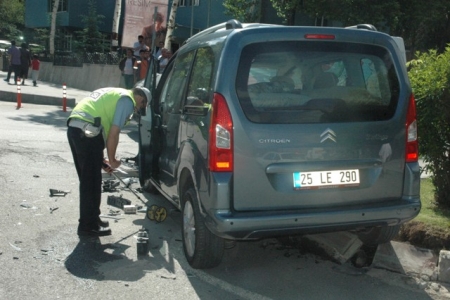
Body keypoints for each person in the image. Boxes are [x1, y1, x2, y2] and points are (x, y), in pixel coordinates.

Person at [67, 86, 150, 237]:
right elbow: (114, 132)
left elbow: (101, 121)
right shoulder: (128, 101)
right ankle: (87, 226)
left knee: (90, 179)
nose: (138, 110)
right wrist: (112, 160)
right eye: (141, 106)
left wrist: (101, 160)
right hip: (87, 130)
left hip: (77, 128)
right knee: (90, 182)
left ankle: (93, 219)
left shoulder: (116, 93)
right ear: (141, 99)